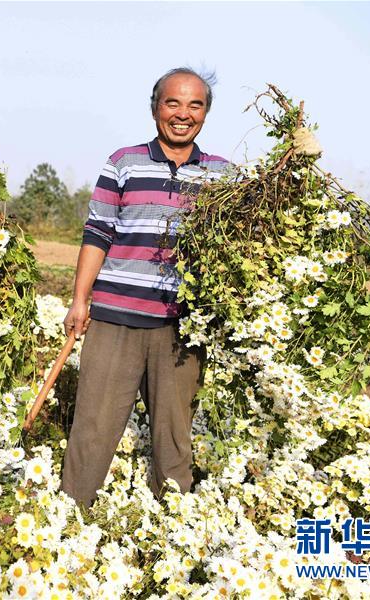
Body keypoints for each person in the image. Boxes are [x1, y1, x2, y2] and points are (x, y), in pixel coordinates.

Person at [59, 68, 231, 505]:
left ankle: (170, 524)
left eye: (195, 105)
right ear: (156, 107)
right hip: (116, 318)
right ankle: (70, 514)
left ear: (206, 114)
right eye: (173, 103)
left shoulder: (224, 178)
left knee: (173, 438)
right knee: (93, 427)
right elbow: (97, 234)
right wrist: (80, 301)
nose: (182, 114)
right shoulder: (123, 162)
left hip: (181, 329)